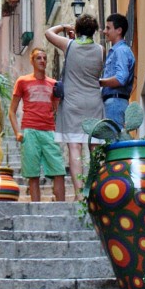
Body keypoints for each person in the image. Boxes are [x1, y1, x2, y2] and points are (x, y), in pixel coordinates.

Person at [46, 15, 104, 198]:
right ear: (94, 31)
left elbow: (48, 33)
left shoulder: (69, 45)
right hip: (94, 101)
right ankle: (95, 189)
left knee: (74, 147)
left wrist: (64, 26)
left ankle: (80, 193)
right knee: (95, 146)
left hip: (72, 103)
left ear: (77, 29)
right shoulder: (101, 50)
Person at [9, 48, 66, 202]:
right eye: (38, 58)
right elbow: (12, 111)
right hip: (30, 131)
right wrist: (17, 132)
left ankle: (61, 206)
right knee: (32, 174)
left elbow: (56, 109)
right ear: (32, 61)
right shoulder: (22, 81)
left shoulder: (53, 84)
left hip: (49, 131)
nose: (42, 61)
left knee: (59, 170)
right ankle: (36, 207)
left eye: (44, 58)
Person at [99, 13, 136, 128]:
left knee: (113, 142)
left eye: (108, 28)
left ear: (119, 30)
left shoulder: (120, 51)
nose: (105, 31)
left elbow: (121, 79)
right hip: (114, 102)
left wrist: (99, 82)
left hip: (115, 102)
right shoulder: (117, 51)